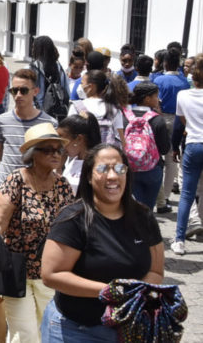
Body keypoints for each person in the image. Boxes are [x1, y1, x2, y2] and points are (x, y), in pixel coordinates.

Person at [41, 144, 164, 342]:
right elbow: (51, 275)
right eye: (102, 169)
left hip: (129, 329)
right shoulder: (73, 219)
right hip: (75, 330)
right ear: (89, 177)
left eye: (119, 169)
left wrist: (137, 291)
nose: (112, 176)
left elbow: (157, 272)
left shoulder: (143, 217)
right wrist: (108, 291)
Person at [0, 123, 73, 343]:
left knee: (47, 330)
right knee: (25, 334)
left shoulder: (63, 186)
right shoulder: (16, 181)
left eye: (59, 150)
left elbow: (72, 229)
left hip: (51, 271)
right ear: (32, 154)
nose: (56, 154)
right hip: (16, 270)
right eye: (48, 149)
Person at [0, 69, 57, 211]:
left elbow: (53, 161)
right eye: (14, 90)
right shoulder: (1, 120)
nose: (18, 95)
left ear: (35, 91)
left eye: (23, 90)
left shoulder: (50, 124)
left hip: (35, 192)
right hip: (3, 190)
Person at [171, 54, 203, 255]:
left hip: (192, 143)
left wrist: (175, 147)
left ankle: (179, 240)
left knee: (187, 194)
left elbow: (179, 123)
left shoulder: (183, 95)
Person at [153, 48, 190, 214]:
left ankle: (158, 193)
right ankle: (166, 196)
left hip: (159, 118)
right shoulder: (184, 82)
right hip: (177, 119)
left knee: (155, 156)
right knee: (171, 158)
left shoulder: (159, 80)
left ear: (165, 63)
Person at [123, 82, 169, 209]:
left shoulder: (124, 117)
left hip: (130, 168)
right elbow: (165, 149)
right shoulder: (157, 120)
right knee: (147, 208)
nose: (158, 99)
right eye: (156, 96)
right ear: (147, 98)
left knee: (133, 207)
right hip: (152, 169)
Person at [68, 70, 127, 147]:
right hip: (106, 156)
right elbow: (121, 139)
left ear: (90, 87)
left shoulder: (76, 107)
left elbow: (68, 133)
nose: (80, 87)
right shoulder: (114, 109)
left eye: (82, 83)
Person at [56, 113, 102, 195]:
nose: (60, 146)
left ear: (79, 139)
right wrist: (59, 168)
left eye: (63, 141)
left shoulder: (96, 165)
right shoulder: (72, 162)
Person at [30, 36, 69, 118]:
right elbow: (66, 91)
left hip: (37, 112)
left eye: (33, 47)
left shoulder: (33, 67)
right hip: (56, 113)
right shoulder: (60, 68)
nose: (32, 49)